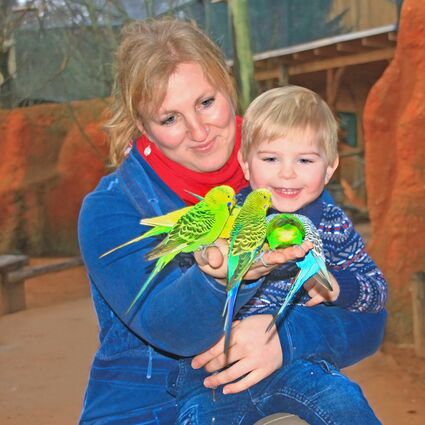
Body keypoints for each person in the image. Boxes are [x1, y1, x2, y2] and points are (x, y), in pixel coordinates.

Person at [77, 17, 387, 424]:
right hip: (143, 406)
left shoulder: (282, 172)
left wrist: (285, 338)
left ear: (228, 87)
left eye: (206, 102)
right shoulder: (111, 208)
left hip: (269, 385)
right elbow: (172, 330)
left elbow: (369, 316)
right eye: (169, 119)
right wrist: (219, 279)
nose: (199, 131)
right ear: (143, 126)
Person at [175, 86, 388, 424]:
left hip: (300, 367)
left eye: (305, 160)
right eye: (271, 159)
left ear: (329, 168)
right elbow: (180, 294)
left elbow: (377, 291)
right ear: (246, 165)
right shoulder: (227, 217)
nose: (287, 172)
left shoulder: (332, 226)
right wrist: (205, 265)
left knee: (345, 401)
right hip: (218, 374)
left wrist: (337, 287)